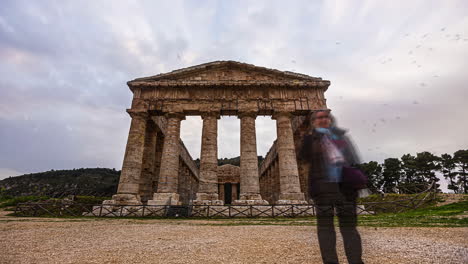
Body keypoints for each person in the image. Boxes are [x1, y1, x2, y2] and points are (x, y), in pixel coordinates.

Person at [299, 109, 365, 264]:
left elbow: (354, 160)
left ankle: (356, 261)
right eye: (319, 117)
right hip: (323, 189)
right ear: (313, 122)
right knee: (326, 229)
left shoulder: (342, 136)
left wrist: (359, 181)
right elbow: (301, 157)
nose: (323, 120)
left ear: (331, 119)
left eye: (326, 117)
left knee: (349, 228)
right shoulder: (309, 139)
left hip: (347, 188)